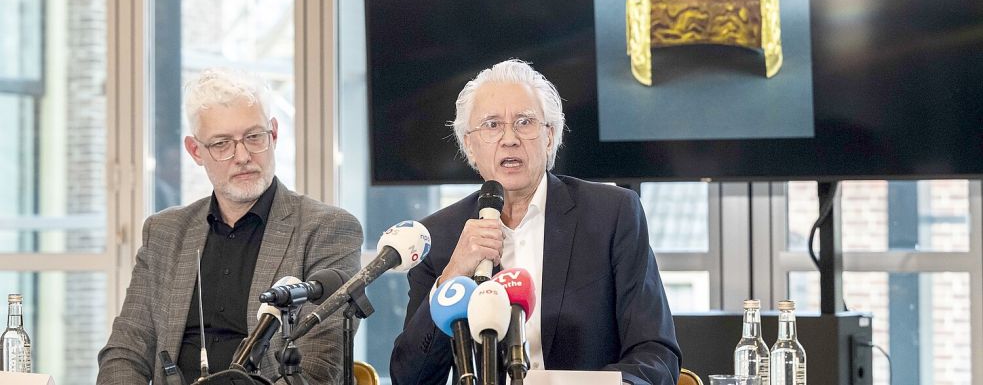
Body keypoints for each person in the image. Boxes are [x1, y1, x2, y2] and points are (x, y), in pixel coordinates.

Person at [389, 59, 681, 385]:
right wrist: (452, 276)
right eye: (491, 125)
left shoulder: (612, 215)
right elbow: (410, 377)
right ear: (469, 146)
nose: (509, 138)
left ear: (550, 136)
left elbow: (656, 356)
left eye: (525, 122)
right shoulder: (440, 236)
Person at [97, 68, 363, 384]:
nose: (242, 156)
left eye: (254, 137)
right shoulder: (164, 233)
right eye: (222, 143)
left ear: (274, 135)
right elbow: (125, 351)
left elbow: (319, 365)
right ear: (196, 151)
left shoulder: (327, 229)